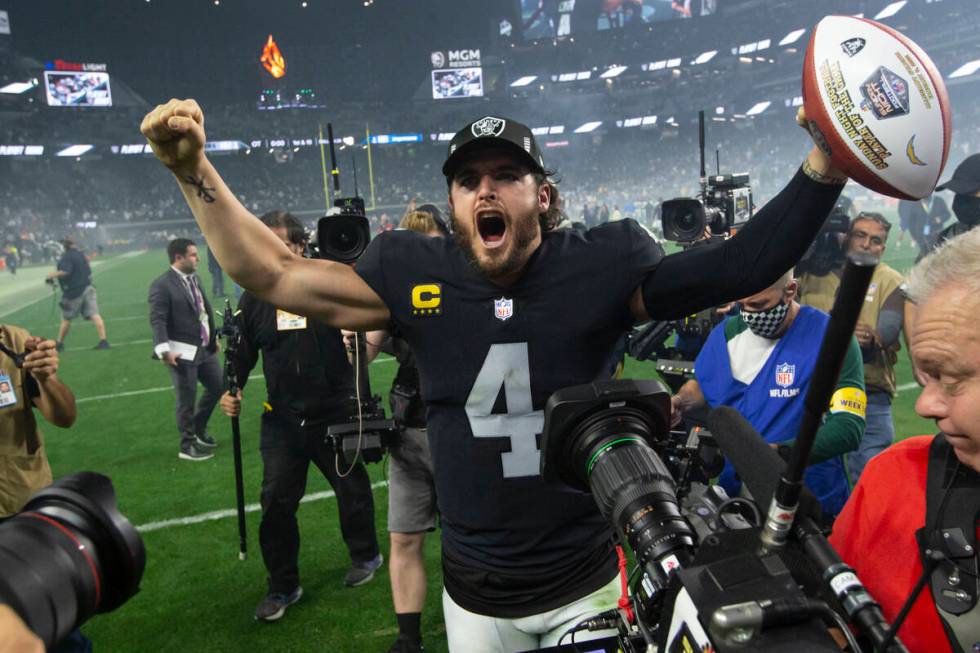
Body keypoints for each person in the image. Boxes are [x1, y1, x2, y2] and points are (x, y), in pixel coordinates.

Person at [141, 99, 849, 652]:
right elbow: (274, 272)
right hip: (475, 594)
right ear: (452, 204)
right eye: (468, 180)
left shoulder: (598, 264)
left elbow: (741, 265)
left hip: (589, 582)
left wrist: (826, 163)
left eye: (507, 175)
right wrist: (191, 171)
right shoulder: (412, 270)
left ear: (541, 194)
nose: (487, 191)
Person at [218, 210, 381, 622]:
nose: (277, 252)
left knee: (352, 492)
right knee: (275, 503)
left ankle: (366, 555)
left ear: (299, 245)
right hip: (282, 419)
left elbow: (365, 326)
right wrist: (231, 387)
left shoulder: (328, 284)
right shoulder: (253, 297)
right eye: (267, 244)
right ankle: (282, 585)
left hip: (335, 410)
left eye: (284, 244)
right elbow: (242, 353)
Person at [830, 227, 980, 653]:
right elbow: (833, 628)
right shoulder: (890, 479)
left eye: (951, 378)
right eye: (924, 378)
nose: (925, 405)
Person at [671, 271, 866, 515]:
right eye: (742, 304)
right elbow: (703, 383)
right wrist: (679, 401)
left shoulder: (832, 337)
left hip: (809, 505)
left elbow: (849, 428)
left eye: (759, 305)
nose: (749, 314)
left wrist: (779, 455)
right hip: (737, 503)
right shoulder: (727, 334)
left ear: (790, 291)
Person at [351, 207, 446, 653]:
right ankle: (408, 637)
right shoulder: (394, 300)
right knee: (404, 536)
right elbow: (362, 355)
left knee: (468, 536)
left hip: (458, 432)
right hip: (408, 431)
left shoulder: (467, 293)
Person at [798, 212, 906, 482]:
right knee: (810, 480)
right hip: (806, 391)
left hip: (868, 395)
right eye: (860, 235)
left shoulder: (890, 280)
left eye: (876, 240)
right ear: (846, 237)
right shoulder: (809, 275)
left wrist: (871, 338)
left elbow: (890, 329)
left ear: (883, 246)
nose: (867, 244)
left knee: (871, 478)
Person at [148, 238, 222, 461]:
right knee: (186, 399)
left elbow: (203, 310)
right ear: (178, 258)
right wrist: (164, 350)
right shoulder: (161, 285)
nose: (197, 257)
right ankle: (187, 445)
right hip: (180, 352)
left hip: (203, 348)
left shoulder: (194, 278)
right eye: (192, 254)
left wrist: (212, 337)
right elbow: (157, 319)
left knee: (219, 385)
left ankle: (198, 429)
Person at [46, 238, 108, 351]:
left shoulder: (66, 257)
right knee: (95, 314)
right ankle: (103, 341)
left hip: (74, 291)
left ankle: (59, 343)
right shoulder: (80, 254)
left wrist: (51, 275)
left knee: (66, 318)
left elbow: (66, 271)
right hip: (88, 287)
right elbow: (87, 269)